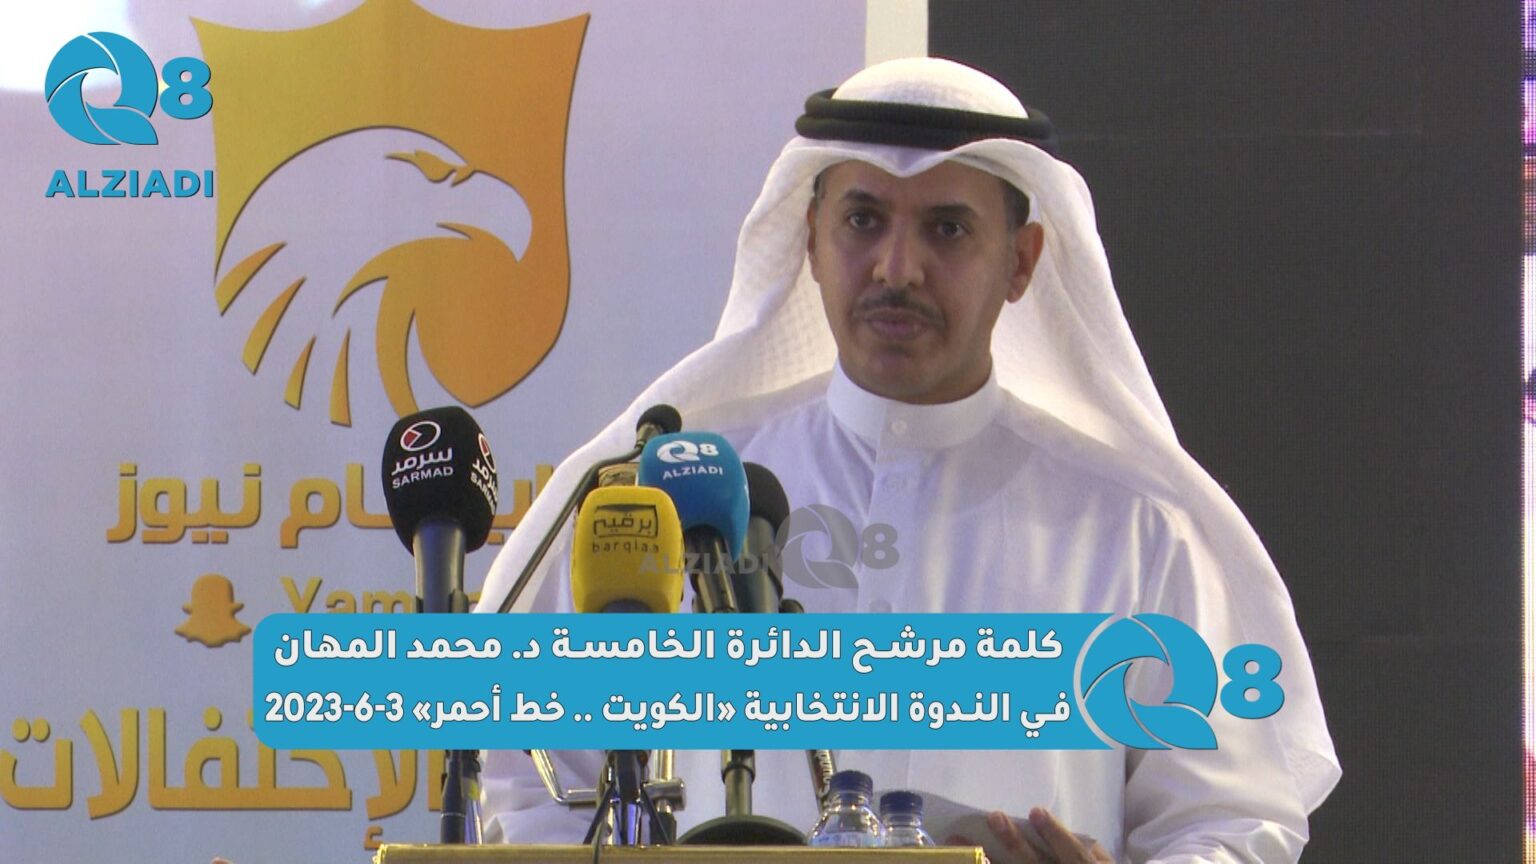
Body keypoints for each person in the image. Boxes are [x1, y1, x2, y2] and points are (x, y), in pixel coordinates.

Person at [474, 57, 1340, 862]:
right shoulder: (675, 494)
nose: (898, 267)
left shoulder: (1132, 526)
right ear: (810, 241)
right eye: (863, 220)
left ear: (1021, 262)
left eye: (947, 228)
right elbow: (529, 773)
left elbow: (1227, 822)